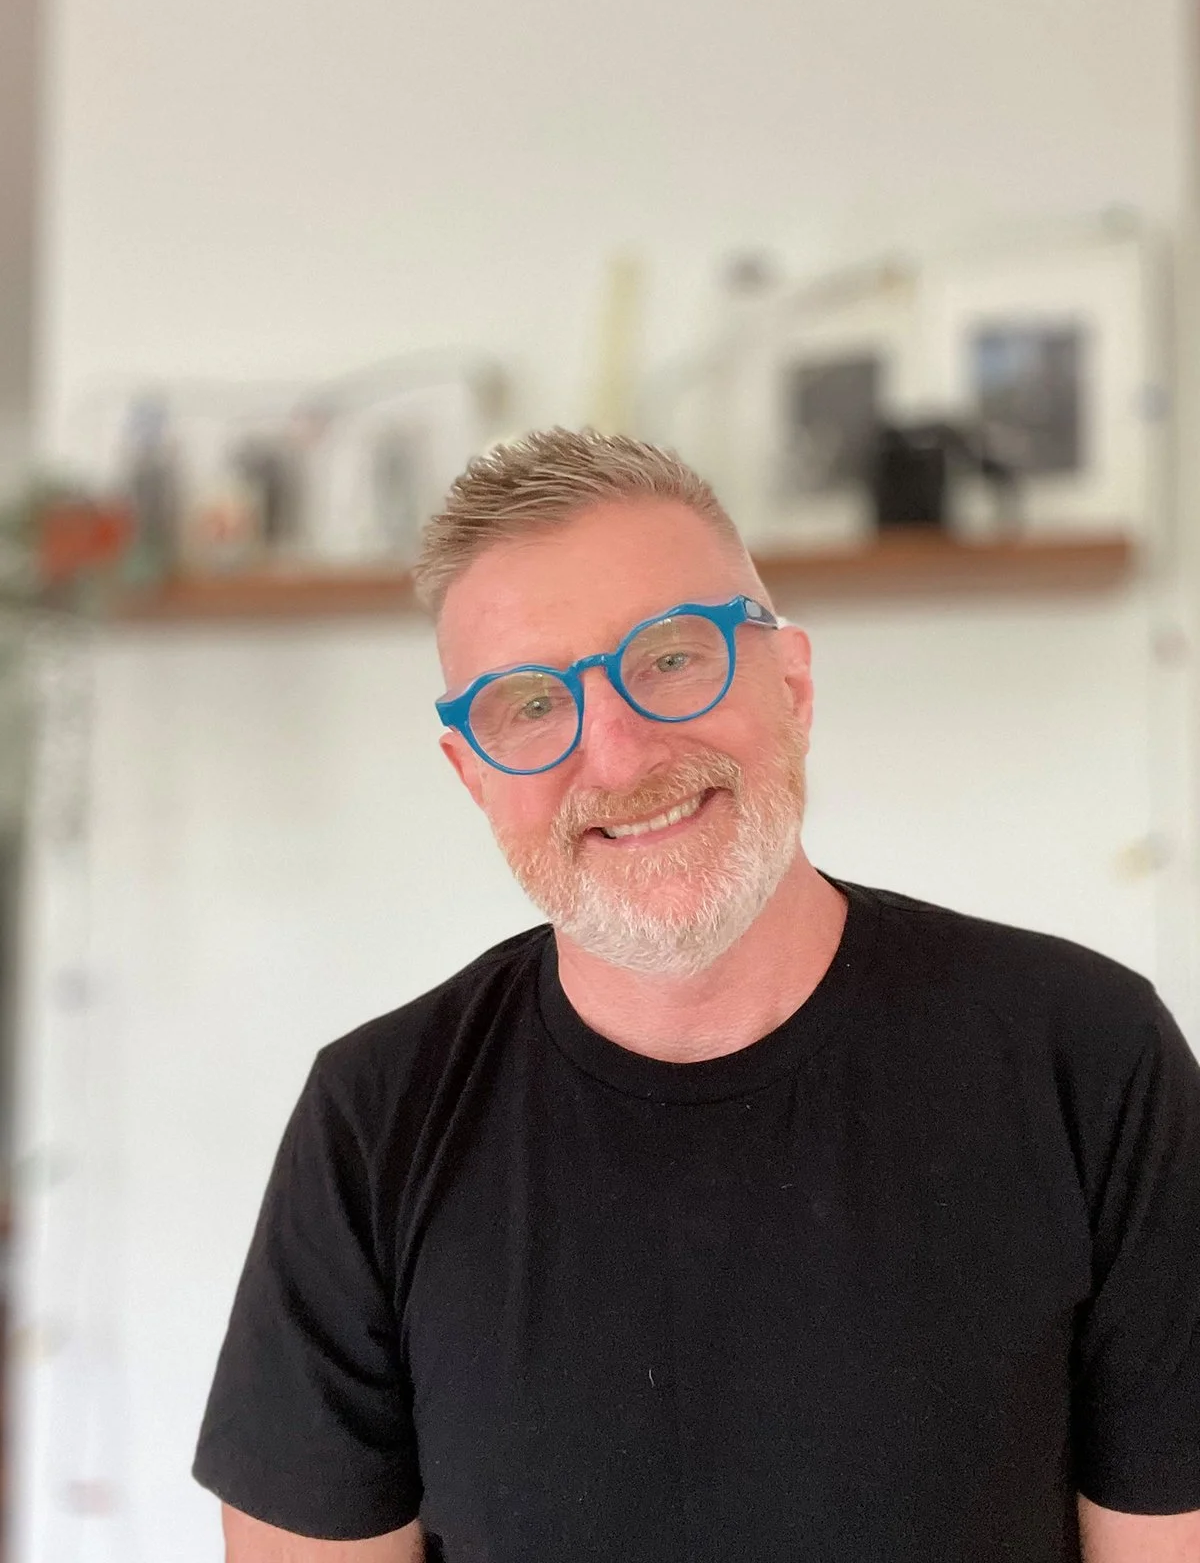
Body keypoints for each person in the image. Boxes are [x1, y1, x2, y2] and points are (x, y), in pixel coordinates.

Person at [194, 429, 1200, 1562]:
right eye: (530, 704)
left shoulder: (1092, 1061)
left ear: (795, 683)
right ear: (473, 773)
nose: (617, 757)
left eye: (672, 657)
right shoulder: (375, 1122)